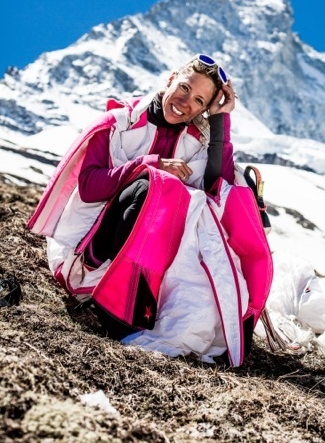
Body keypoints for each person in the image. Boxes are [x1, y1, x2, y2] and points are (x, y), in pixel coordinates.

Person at [28, 54, 273, 366]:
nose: (185, 103)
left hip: (152, 256)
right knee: (154, 186)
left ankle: (138, 306)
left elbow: (219, 189)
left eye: (198, 100)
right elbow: (88, 186)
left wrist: (220, 120)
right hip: (90, 251)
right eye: (184, 88)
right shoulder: (118, 123)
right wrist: (151, 165)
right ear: (170, 79)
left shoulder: (194, 142)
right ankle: (105, 297)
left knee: (189, 208)